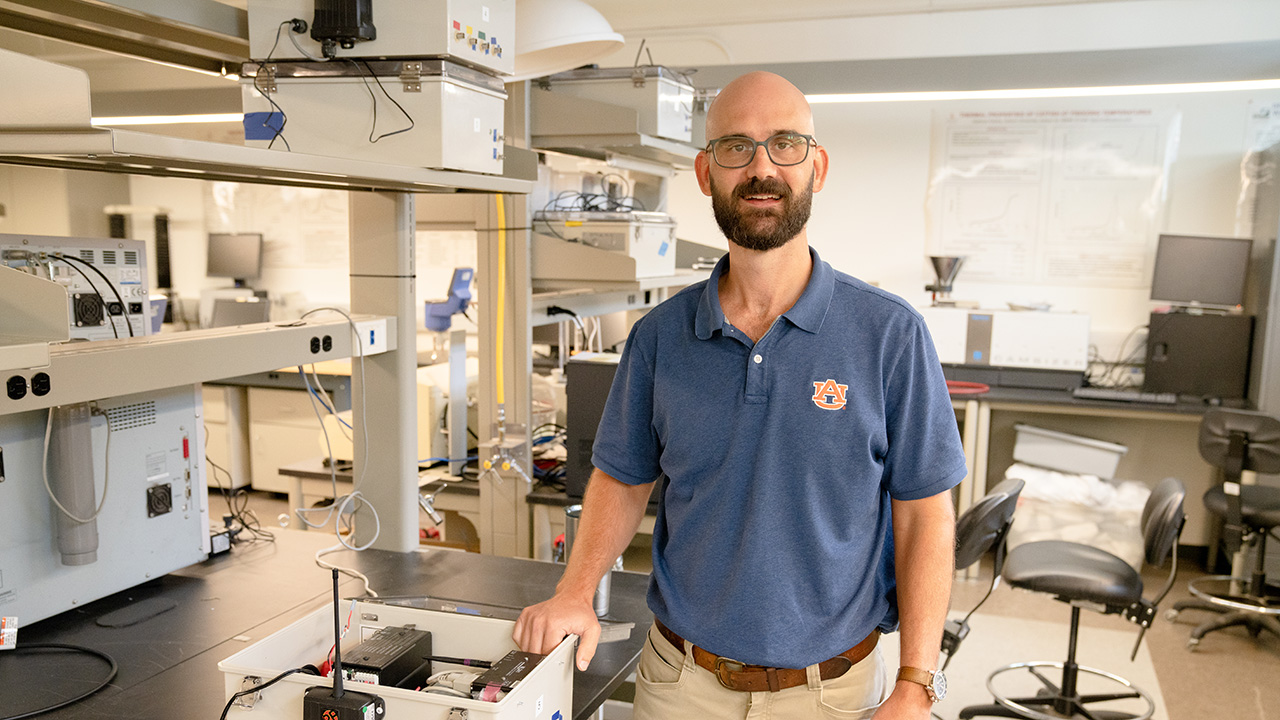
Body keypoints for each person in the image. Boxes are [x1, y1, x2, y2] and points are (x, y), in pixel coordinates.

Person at [513, 71, 967, 720]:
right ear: (704, 173)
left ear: (818, 166)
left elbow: (924, 513)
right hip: (678, 685)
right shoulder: (659, 339)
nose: (762, 168)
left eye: (785, 144)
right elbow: (621, 479)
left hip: (832, 692)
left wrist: (917, 683)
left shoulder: (889, 335)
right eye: (735, 148)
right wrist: (575, 592)